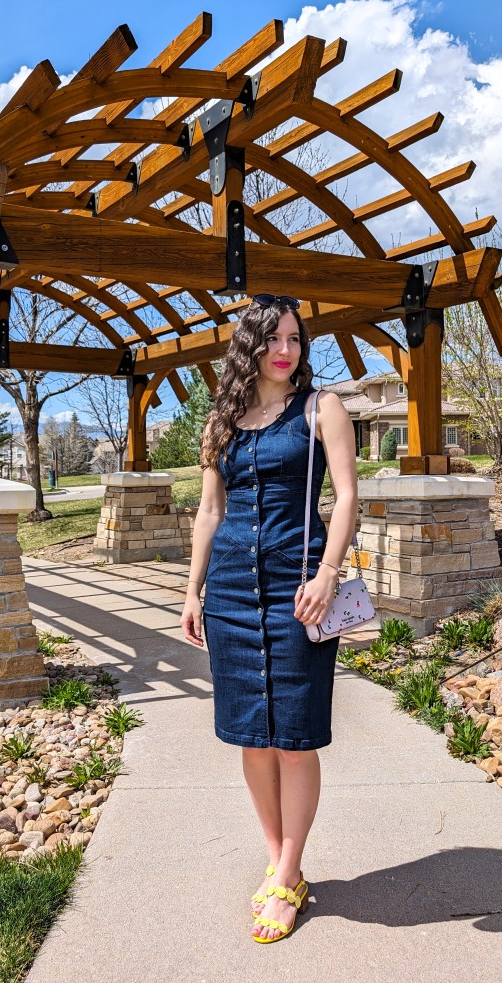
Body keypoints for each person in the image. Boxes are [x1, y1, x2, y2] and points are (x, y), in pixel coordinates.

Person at [180, 294, 358, 944]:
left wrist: (326, 574)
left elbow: (345, 498)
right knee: (253, 735)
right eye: (273, 339)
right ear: (248, 346)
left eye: (294, 339)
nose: (286, 350)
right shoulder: (219, 423)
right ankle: (280, 861)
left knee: (294, 736)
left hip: (298, 585)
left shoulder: (321, 409)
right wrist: (193, 590)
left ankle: (286, 874)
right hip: (227, 588)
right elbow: (207, 512)